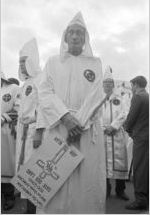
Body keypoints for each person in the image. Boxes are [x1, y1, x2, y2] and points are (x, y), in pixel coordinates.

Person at [34, 12, 106, 214]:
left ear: (85, 38)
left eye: (80, 33)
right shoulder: (53, 62)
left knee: (85, 182)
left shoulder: (95, 63)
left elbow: (96, 96)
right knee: (54, 181)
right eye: (71, 32)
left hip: (86, 130)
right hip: (59, 129)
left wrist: (79, 124)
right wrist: (66, 118)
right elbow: (45, 92)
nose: (75, 36)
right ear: (65, 37)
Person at [15, 38, 42, 214]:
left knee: (35, 170)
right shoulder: (26, 84)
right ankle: (28, 207)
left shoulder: (41, 80)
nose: (22, 65)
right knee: (25, 167)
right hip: (23, 132)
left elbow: (43, 107)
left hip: (34, 132)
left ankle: (34, 208)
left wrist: (38, 130)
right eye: (20, 62)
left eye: (24, 61)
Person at [102, 66, 129, 200]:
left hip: (116, 134)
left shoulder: (120, 98)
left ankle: (120, 190)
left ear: (113, 85)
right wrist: (104, 128)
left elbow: (124, 114)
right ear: (102, 85)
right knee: (103, 163)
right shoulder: (99, 99)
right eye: (105, 83)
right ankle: (105, 190)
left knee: (120, 162)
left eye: (109, 83)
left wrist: (113, 127)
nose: (107, 85)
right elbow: (95, 116)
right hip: (103, 134)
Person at [124, 76, 149, 210]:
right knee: (146, 167)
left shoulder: (138, 97)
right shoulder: (147, 96)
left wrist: (126, 128)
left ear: (137, 84)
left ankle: (140, 200)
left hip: (140, 136)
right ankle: (146, 197)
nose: (131, 88)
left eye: (132, 85)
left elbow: (131, 116)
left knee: (139, 168)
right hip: (147, 136)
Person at [1, 71, 19, 211]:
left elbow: (20, 108)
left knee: (6, 165)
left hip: (5, 132)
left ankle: (8, 195)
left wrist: (3, 118)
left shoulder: (13, 88)